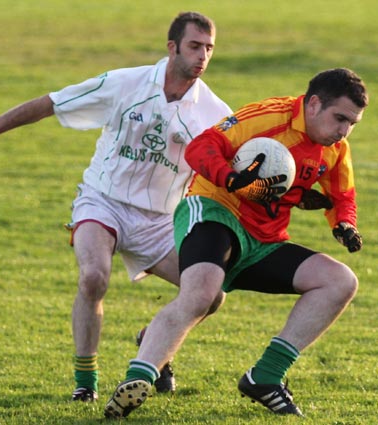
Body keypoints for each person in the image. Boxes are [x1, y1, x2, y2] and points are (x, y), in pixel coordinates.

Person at [0, 12, 233, 402]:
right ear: (172, 47)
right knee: (93, 276)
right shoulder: (125, 83)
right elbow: (53, 102)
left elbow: (239, 169)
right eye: (195, 46)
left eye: (209, 48)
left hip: (161, 221)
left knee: (212, 295)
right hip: (103, 200)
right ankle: (85, 382)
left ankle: (154, 339)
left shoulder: (216, 113)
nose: (202, 56)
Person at [104, 68, 367, 419]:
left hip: (265, 239)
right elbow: (202, 147)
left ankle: (265, 378)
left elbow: (342, 195)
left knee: (340, 281)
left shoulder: (335, 149)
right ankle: (137, 379)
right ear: (314, 104)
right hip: (216, 210)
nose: (344, 131)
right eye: (340, 119)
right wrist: (230, 178)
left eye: (352, 123)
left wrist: (345, 223)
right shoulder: (269, 116)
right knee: (203, 294)